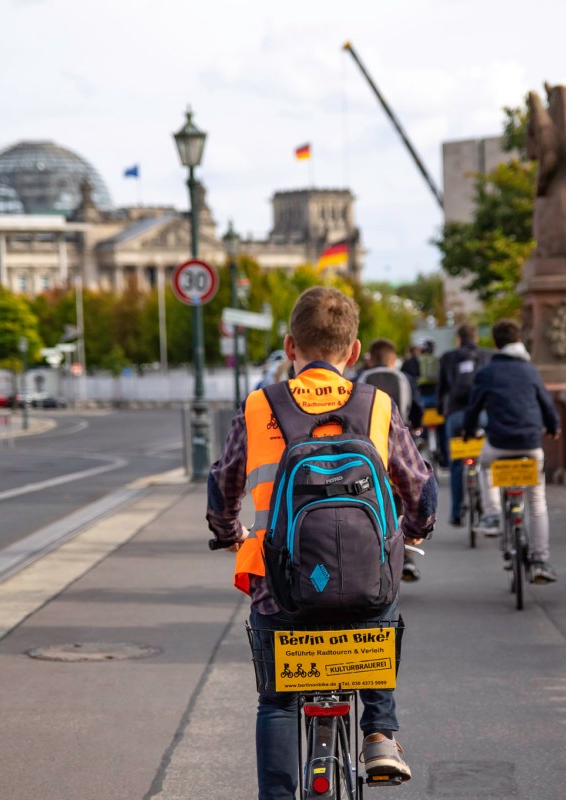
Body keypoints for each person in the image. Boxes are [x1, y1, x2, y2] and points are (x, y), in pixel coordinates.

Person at [206, 287, 438, 799]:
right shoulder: (377, 405)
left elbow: (223, 482)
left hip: (281, 587)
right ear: (353, 353)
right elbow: (419, 484)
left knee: (277, 702)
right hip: (360, 585)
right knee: (383, 584)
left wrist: (228, 534)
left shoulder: (258, 405)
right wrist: (417, 528)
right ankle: (379, 733)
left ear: (290, 346)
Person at [462, 318, 560, 583]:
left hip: (500, 444)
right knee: (537, 502)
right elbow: (546, 405)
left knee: (485, 465)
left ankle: (493, 515)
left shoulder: (487, 372)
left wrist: (469, 430)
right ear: (520, 342)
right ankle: (540, 560)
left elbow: (473, 409)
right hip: (530, 445)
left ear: (495, 343)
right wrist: (553, 427)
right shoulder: (530, 371)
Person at [357, 337, 424, 582]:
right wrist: (417, 427)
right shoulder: (405, 379)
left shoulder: (361, 381)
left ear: (371, 359)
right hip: (398, 450)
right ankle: (407, 557)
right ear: (394, 359)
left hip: (368, 452)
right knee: (405, 498)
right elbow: (416, 409)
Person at [437, 323, 494, 526]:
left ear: (458, 339)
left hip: (456, 415)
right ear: (476, 337)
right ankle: (490, 512)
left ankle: (456, 513)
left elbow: (442, 388)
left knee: (457, 465)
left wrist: (440, 410)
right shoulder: (488, 356)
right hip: (482, 414)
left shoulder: (448, 358)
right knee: (486, 461)